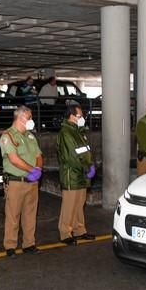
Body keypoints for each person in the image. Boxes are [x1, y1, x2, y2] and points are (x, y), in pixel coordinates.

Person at [0, 106, 44, 258]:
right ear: (19, 118)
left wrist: (38, 168)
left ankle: (29, 244)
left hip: (32, 182)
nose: (31, 120)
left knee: (30, 214)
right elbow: (14, 160)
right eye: (29, 117)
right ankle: (10, 246)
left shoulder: (30, 136)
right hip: (15, 182)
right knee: (13, 215)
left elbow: (39, 155)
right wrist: (33, 170)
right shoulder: (8, 136)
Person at [56, 103, 96, 246]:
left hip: (81, 175)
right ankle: (65, 233)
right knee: (69, 205)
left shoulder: (78, 131)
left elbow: (85, 152)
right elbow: (71, 157)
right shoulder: (66, 133)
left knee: (79, 204)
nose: (82, 118)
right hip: (72, 175)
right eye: (79, 116)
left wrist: (91, 165)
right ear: (71, 116)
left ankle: (79, 230)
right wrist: (87, 168)